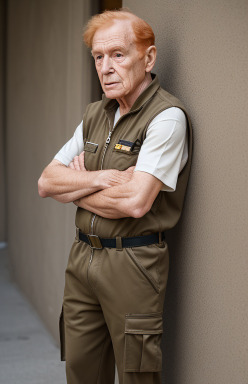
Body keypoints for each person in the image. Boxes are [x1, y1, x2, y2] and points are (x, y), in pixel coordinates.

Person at [38, 9, 192, 384]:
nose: (105, 67)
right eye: (98, 57)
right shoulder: (96, 114)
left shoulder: (166, 118)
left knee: (138, 375)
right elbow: (45, 182)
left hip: (133, 264)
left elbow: (136, 202)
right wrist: (105, 178)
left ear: (149, 57)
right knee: (81, 370)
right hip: (82, 259)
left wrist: (77, 187)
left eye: (118, 55)